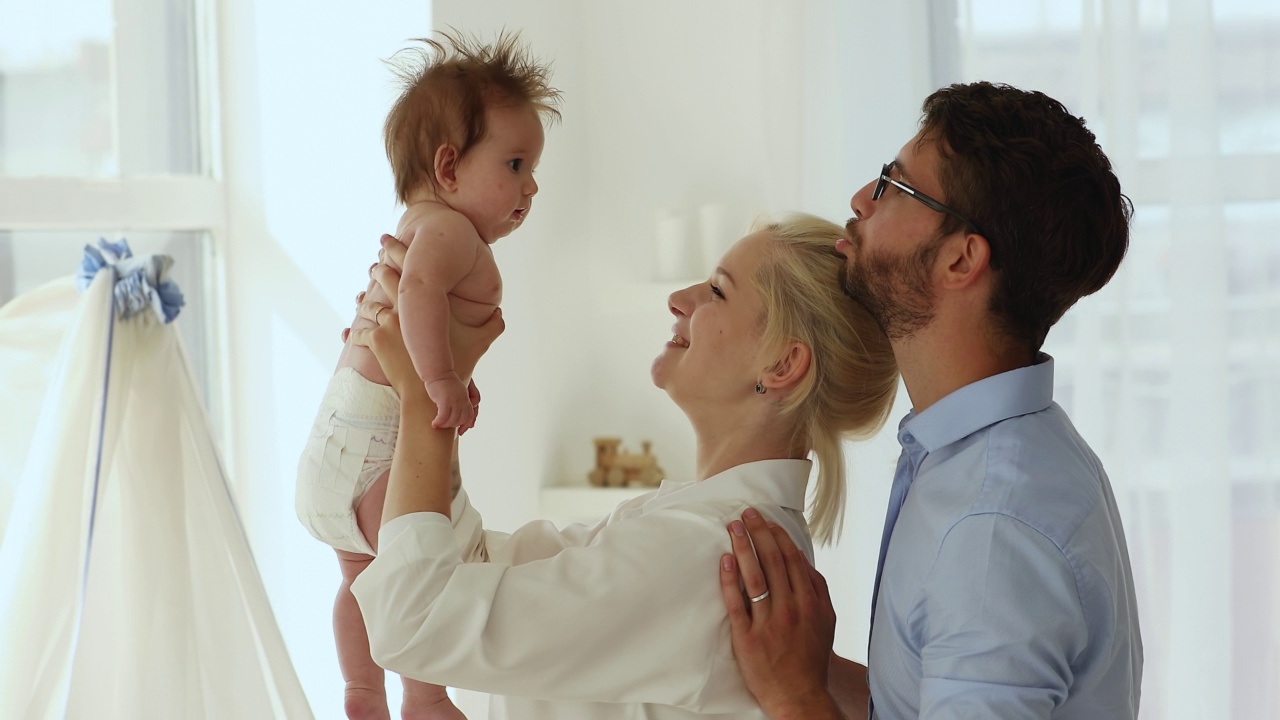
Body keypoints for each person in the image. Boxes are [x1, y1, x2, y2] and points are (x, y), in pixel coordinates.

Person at [344, 215, 899, 719]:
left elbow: (414, 621)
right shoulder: (694, 527)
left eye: (716, 292)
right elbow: (483, 570)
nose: (680, 299)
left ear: (782, 364)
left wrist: (424, 403)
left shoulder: (707, 552)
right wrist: (443, 374)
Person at [718, 81, 1143, 719]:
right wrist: (807, 668)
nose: (861, 200)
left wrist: (794, 695)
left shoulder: (992, 529)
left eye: (893, 185)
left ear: (961, 259)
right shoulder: (982, 459)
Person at [294, 30, 560, 720]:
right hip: (383, 450)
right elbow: (415, 300)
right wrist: (442, 382)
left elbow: (416, 314)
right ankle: (424, 696)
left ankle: (360, 694)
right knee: (416, 576)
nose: (530, 186)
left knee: (361, 583)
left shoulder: (420, 225)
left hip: (342, 452)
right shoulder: (450, 232)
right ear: (448, 167)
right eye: (515, 163)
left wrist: (451, 372)